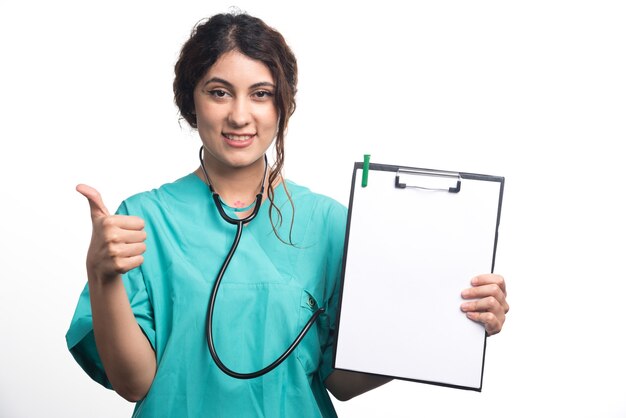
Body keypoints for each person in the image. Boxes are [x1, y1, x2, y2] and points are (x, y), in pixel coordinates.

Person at [66, 11, 510, 418]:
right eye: (219, 93)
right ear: (190, 101)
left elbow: (343, 381)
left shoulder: (332, 225)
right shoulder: (141, 222)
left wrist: (449, 325)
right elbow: (133, 382)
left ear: (283, 105)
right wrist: (101, 274)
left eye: (261, 94)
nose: (240, 115)